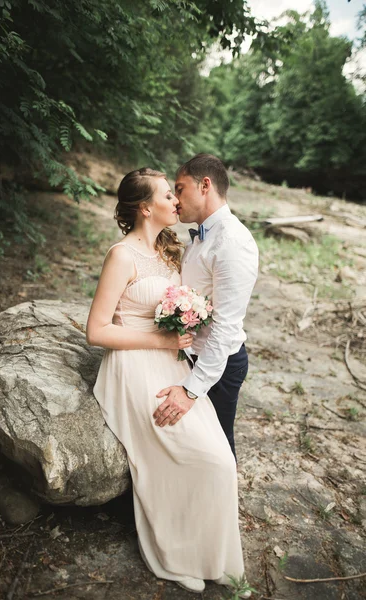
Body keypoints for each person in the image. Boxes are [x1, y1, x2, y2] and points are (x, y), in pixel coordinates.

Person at [87, 167, 250, 596]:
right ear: (145, 207)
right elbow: (96, 330)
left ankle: (212, 555)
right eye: (168, 195)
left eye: (177, 194)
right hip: (132, 366)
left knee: (221, 459)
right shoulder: (121, 255)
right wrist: (159, 340)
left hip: (172, 365)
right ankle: (176, 553)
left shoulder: (169, 251)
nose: (177, 202)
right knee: (186, 452)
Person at [153, 154, 259, 461]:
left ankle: (223, 507)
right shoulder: (203, 236)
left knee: (217, 451)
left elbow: (226, 326)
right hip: (189, 353)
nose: (175, 199)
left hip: (219, 365)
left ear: (205, 186)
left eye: (180, 188)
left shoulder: (233, 241)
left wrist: (191, 390)